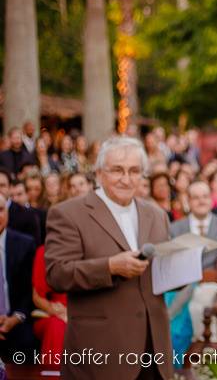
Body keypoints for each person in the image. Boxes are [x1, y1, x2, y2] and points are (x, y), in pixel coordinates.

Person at [44, 136, 173, 380]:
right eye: (117, 170)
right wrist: (110, 266)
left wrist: (182, 269)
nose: (126, 179)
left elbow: (159, 276)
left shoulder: (157, 215)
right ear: (99, 172)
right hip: (101, 352)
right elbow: (57, 274)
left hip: (154, 349)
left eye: (134, 171)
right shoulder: (68, 214)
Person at [0, 194, 37, 361]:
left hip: (16, 319)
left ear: (7, 212)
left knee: (26, 343)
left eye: (0, 210)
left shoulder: (25, 244)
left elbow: (29, 290)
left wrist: (16, 317)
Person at [169, 180, 217, 269]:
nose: (201, 201)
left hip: (216, 280)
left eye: (205, 196)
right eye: (196, 197)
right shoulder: (174, 229)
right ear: (189, 201)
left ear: (211, 199)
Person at [32, 242, 66, 367]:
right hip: (53, 313)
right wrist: (56, 311)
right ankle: (52, 374)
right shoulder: (46, 251)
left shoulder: (93, 251)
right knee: (56, 326)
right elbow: (37, 298)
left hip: (86, 313)